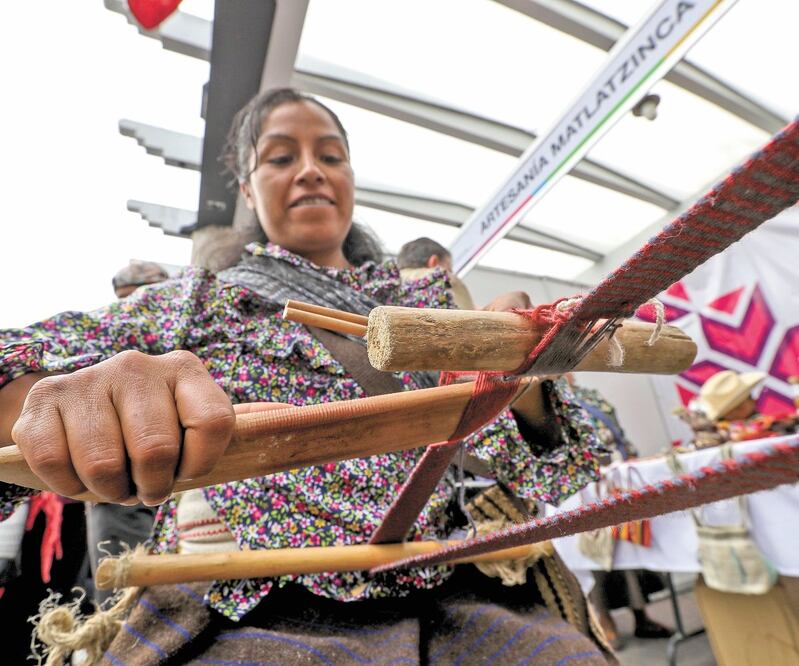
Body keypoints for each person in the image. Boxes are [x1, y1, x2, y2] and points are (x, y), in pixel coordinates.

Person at [0, 88, 610, 664]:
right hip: (261, 610)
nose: (311, 170)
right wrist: (51, 398)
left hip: (463, 593)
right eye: (282, 157)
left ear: (349, 178)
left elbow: (557, 475)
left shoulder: (427, 301)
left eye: (331, 156)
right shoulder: (201, 300)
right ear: (247, 186)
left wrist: (522, 386)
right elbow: (19, 355)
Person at [84, 260, 171, 605]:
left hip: (186, 486)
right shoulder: (104, 345)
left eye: (143, 296)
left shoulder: (183, 341)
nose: (133, 307)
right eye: (125, 299)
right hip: (117, 488)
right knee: (120, 597)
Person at [566, 377, 672, 649]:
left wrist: (631, 459)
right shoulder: (549, 402)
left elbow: (617, 432)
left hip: (619, 480)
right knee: (598, 553)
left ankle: (641, 615)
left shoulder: (590, 393)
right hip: (585, 489)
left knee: (631, 545)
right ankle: (604, 620)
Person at [678, 370, 798, 448]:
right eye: (749, 397)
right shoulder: (729, 437)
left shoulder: (717, 437)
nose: (754, 400)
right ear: (737, 409)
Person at [397, 237, 476, 310]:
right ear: (434, 261)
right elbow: (470, 322)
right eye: (449, 269)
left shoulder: (389, 284)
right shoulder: (442, 278)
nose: (451, 273)